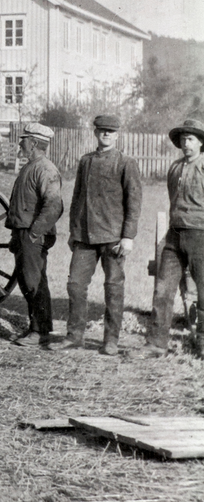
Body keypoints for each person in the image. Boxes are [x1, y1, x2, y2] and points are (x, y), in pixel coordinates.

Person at [52, 114, 142, 357]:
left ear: (117, 134)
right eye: (102, 130)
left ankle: (111, 340)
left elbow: (133, 203)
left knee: (113, 288)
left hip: (113, 238)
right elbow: (77, 198)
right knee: (75, 285)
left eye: (110, 131)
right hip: (84, 238)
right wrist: (74, 231)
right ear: (95, 133)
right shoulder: (86, 161)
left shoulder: (126, 163)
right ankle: (74, 337)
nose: (106, 134)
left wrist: (128, 236)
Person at [145, 117, 204, 358]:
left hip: (200, 235)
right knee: (162, 288)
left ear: (200, 142)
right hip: (174, 235)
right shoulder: (175, 167)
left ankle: (201, 341)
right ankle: (156, 343)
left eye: (190, 139)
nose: (185, 144)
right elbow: (173, 198)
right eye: (182, 140)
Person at [7, 122, 63, 346]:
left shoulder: (46, 169)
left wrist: (33, 234)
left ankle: (39, 332)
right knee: (28, 280)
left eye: (25, 140)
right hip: (24, 233)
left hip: (33, 235)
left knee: (34, 282)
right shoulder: (30, 166)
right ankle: (37, 328)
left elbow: (54, 206)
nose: (21, 143)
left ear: (35, 144)